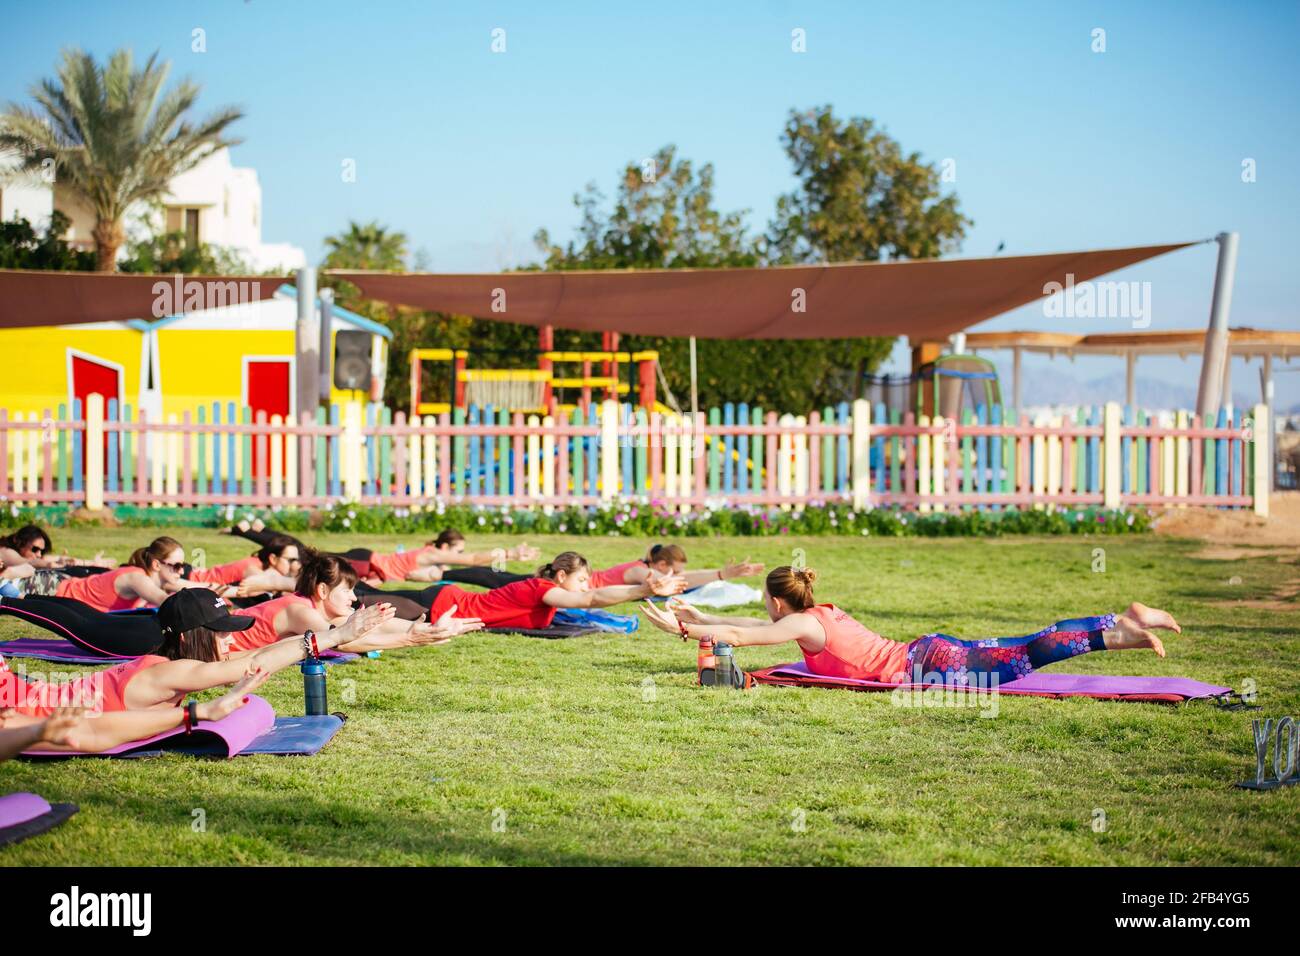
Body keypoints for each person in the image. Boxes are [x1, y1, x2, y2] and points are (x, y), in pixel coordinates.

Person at [641, 566, 1178, 687]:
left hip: (928, 664)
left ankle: (1116, 631)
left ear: (779, 601)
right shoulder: (812, 615)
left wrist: (681, 632)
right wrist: (702, 616)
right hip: (929, 651)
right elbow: (747, 624)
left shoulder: (800, 623)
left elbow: (748, 636)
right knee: (1027, 644)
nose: (765, 609)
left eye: (766, 601)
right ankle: (1121, 621)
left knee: (1028, 653)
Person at [0, 590, 397, 717]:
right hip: (16, 704)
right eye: (220, 635)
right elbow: (251, 663)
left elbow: (258, 651)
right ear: (190, 639)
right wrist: (333, 637)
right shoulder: (170, 673)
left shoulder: (169, 664)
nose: (229, 643)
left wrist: (336, 635)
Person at [223, 552, 483, 654]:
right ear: (323, 590)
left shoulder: (313, 608)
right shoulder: (299, 611)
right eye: (347, 590)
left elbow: (375, 627)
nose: (353, 597)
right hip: (210, 650)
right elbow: (346, 641)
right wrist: (411, 639)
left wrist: (429, 628)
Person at [0, 670, 267, 759]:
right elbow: (89, 733)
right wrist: (196, 713)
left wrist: (198, 712)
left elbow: (88, 731)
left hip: (26, 689)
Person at [421, 551, 687, 631]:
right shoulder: (542, 588)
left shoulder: (547, 593)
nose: (586, 585)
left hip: (444, 606)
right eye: (581, 579)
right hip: (444, 605)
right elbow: (590, 597)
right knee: (379, 603)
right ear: (561, 576)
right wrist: (642, 589)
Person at [5, 537, 212, 609]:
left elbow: (186, 586)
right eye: (176, 565)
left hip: (61, 585)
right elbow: (163, 600)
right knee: (5, 586)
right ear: (157, 565)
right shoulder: (137, 578)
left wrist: (230, 592)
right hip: (50, 587)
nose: (181, 570)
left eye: (182, 565)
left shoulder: (152, 578)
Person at [589, 544, 764, 589]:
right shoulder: (640, 571)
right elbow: (678, 580)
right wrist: (722, 574)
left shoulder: (642, 566)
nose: (680, 573)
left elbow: (686, 575)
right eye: (676, 569)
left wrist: (722, 573)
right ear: (662, 564)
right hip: (586, 585)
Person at [0, 525, 114, 573]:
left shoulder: (20, 551)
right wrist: (51, 564)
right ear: (19, 541)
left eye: (42, 551)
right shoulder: (6, 552)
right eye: (35, 549)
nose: (39, 554)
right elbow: (32, 562)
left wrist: (92, 563)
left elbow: (57, 558)